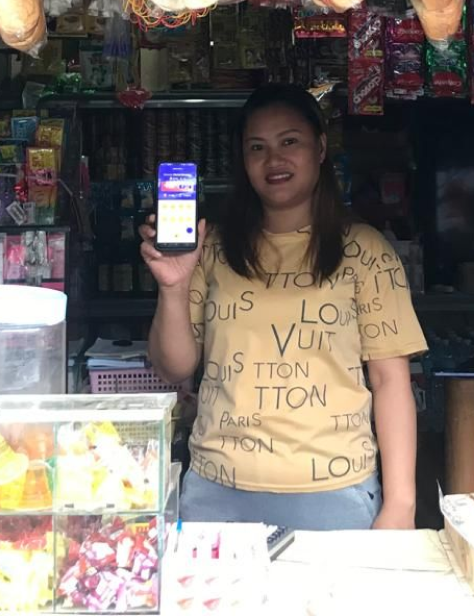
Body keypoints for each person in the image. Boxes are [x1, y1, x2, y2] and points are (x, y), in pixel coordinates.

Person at [141, 83, 426, 530]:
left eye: (289, 142)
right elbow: (173, 368)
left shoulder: (366, 250)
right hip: (218, 492)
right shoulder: (210, 248)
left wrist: (401, 506)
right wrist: (173, 287)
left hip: (335, 495)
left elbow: (391, 381)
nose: (274, 160)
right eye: (257, 147)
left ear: (321, 149)